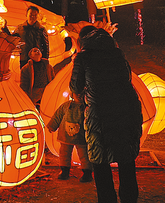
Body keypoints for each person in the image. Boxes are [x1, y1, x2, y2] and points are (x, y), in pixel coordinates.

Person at [70, 27, 142, 203]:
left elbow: (75, 87)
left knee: (100, 160)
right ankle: (129, 198)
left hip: (100, 113)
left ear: (82, 40)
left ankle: (107, 199)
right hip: (125, 109)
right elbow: (127, 78)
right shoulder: (117, 53)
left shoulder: (83, 57)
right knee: (126, 158)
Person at [46, 91, 92, 182]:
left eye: (81, 93)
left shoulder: (86, 108)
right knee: (64, 154)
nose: (79, 95)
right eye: (77, 93)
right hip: (65, 136)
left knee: (84, 155)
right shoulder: (66, 106)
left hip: (81, 136)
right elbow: (58, 116)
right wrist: (52, 126)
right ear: (72, 94)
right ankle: (65, 171)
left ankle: (87, 172)